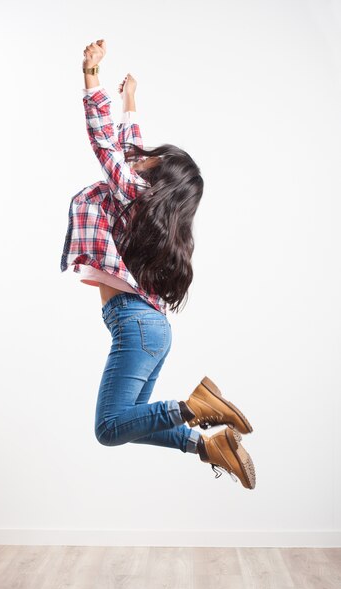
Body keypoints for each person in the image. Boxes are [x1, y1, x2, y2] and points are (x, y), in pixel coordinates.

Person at [60, 39, 256, 490]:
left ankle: (197, 406)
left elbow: (105, 143)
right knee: (133, 421)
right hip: (149, 328)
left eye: (153, 160)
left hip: (135, 324)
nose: (141, 157)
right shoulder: (146, 205)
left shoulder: (133, 193)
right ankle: (208, 445)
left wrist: (90, 76)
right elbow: (128, 147)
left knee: (109, 428)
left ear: (157, 178)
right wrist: (131, 102)